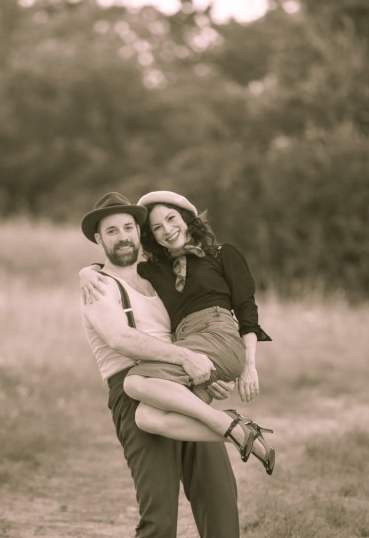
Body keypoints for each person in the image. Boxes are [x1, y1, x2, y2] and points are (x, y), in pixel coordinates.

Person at [79, 191, 292, 538]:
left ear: (141, 233)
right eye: (110, 230)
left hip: (179, 388)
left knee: (219, 500)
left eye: (129, 228)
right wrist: (185, 359)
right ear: (98, 239)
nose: (122, 236)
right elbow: (119, 339)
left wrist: (201, 370)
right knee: (159, 513)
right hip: (134, 391)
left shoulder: (157, 281)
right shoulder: (96, 285)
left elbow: (196, 329)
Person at [80, 190, 275, 475]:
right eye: (157, 228)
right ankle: (241, 431)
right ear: (152, 236)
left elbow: (247, 313)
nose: (167, 230)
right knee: (146, 417)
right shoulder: (157, 270)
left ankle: (228, 423)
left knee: (134, 383)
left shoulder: (222, 255)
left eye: (171, 219)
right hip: (191, 348)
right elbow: (117, 266)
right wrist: (87, 271)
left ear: (187, 218)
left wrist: (249, 366)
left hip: (218, 337)